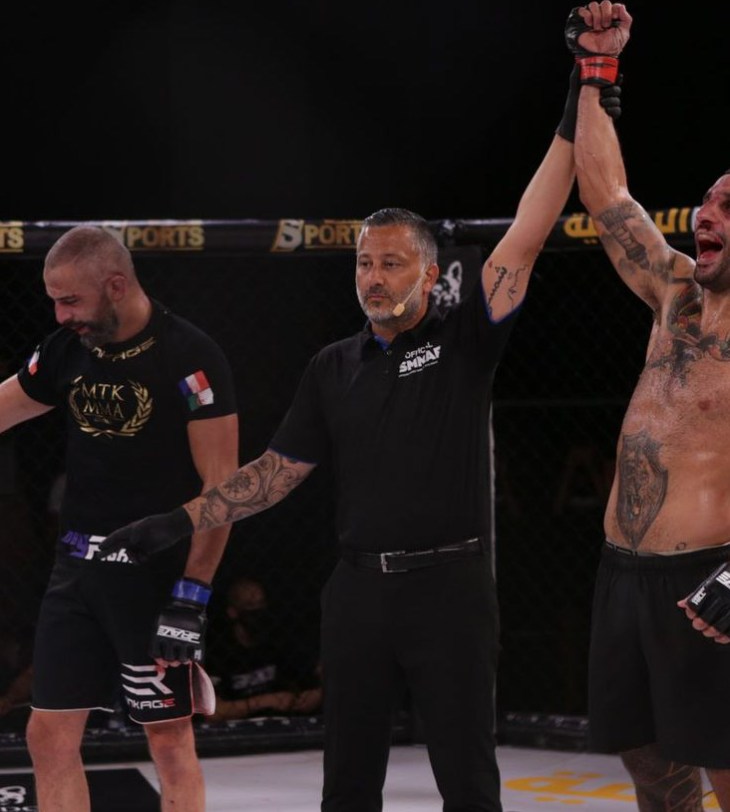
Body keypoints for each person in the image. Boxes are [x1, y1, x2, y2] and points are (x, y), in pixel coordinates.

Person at [100, 58, 623, 810]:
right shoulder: (332, 366)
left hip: (450, 588)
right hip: (357, 591)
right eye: (364, 263)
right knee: (346, 781)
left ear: (429, 273)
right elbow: (275, 474)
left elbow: (530, 230)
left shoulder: (465, 339)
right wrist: (174, 523)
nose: (373, 277)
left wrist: (581, 96)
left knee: (468, 780)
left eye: (391, 264)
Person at [0, 226, 239, 812]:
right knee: (48, 734)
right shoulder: (67, 348)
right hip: (76, 570)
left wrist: (192, 596)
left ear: (114, 285)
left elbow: (222, 489)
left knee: (169, 738)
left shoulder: (189, 356)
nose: (60, 316)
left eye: (70, 301)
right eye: (54, 301)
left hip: (152, 574)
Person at [571, 0, 730, 810]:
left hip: (712, 580)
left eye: (729, 208)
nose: (707, 215)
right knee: (648, 762)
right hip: (624, 575)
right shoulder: (673, 293)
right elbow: (606, 195)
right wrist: (596, 70)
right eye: (707, 201)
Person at [205, 576, 322, 722]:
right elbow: (213, 713)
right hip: (236, 727)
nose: (257, 611)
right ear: (233, 612)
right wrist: (265, 701)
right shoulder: (218, 652)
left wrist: (318, 694)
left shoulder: (278, 639)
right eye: (250, 605)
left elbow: (320, 670)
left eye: (261, 603)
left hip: (286, 722)